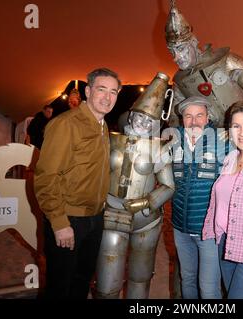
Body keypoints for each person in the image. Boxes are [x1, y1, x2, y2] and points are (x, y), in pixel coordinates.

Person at [171, 96, 243, 299]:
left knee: (209, 289)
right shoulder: (177, 144)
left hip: (216, 236)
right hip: (199, 233)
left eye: (199, 115)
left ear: (208, 117)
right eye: (188, 116)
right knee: (188, 279)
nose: (194, 121)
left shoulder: (225, 145)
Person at [34, 68, 121, 299]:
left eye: (113, 92)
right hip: (68, 218)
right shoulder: (67, 124)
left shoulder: (103, 128)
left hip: (94, 218)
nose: (107, 97)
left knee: (81, 281)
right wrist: (60, 222)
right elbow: (46, 177)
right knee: (59, 287)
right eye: (102, 90)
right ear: (88, 91)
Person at [95, 73, 175, 299]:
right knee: (106, 280)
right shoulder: (109, 140)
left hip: (146, 220)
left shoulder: (160, 149)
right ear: (130, 116)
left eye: (149, 120)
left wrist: (146, 201)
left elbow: (168, 186)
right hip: (112, 213)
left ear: (155, 124)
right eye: (139, 116)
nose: (142, 123)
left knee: (140, 278)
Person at [164, 0, 243, 128]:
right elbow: (175, 116)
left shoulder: (226, 61)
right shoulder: (180, 83)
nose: (176, 57)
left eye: (180, 49)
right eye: (171, 51)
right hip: (214, 141)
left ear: (194, 42)